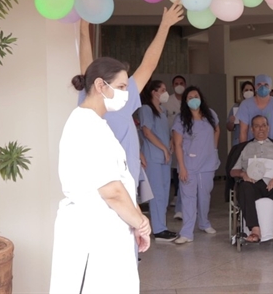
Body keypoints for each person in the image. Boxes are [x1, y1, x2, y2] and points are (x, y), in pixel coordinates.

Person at [51, 58, 151, 293]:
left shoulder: (95, 123)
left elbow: (120, 183)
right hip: (93, 234)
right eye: (122, 87)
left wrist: (135, 218)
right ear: (100, 85)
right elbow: (112, 190)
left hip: (106, 230)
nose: (126, 94)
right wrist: (141, 223)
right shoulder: (86, 126)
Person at [78, 1, 184, 194]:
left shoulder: (87, 100)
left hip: (116, 188)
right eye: (121, 86)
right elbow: (148, 64)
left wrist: (84, 27)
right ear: (101, 84)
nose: (125, 90)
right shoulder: (114, 104)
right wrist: (165, 26)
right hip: (113, 191)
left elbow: (86, 64)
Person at [229, 115, 273, 244]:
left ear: (268, 128)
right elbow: (233, 171)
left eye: (264, 125)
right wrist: (243, 174)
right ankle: (255, 230)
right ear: (251, 129)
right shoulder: (244, 148)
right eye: (257, 126)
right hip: (253, 184)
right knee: (244, 187)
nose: (261, 128)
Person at [172, 86, 220, 244]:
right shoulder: (180, 119)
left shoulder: (210, 115)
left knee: (205, 196)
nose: (193, 99)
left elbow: (217, 130)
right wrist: (182, 167)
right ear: (186, 101)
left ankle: (204, 223)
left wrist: (213, 148)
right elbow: (177, 144)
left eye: (196, 96)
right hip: (189, 165)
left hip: (207, 164)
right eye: (190, 97)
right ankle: (186, 232)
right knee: (188, 199)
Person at [138, 80, 178, 242]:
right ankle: (159, 230)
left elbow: (163, 132)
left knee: (164, 193)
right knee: (157, 194)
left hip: (164, 157)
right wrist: (163, 148)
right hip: (153, 157)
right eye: (162, 89)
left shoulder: (162, 111)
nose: (165, 92)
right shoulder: (146, 109)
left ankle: (163, 227)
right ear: (154, 92)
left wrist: (170, 144)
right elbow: (147, 132)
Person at [236, 74, 273, 143]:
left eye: (266, 85)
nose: (263, 87)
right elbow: (243, 131)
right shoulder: (245, 105)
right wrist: (243, 151)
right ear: (255, 87)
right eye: (259, 84)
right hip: (252, 147)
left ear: (270, 87)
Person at [162, 75, 187, 221]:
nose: (179, 85)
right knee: (175, 166)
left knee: (184, 165)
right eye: (176, 83)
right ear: (173, 85)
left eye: (181, 83)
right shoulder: (167, 102)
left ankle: (182, 196)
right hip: (171, 138)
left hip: (187, 140)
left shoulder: (189, 100)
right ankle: (176, 194)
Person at [227, 81, 255, 146]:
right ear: (242, 92)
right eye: (246, 90)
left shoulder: (257, 107)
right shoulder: (236, 107)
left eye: (251, 90)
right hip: (238, 142)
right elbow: (229, 128)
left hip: (253, 141)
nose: (249, 92)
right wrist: (231, 122)